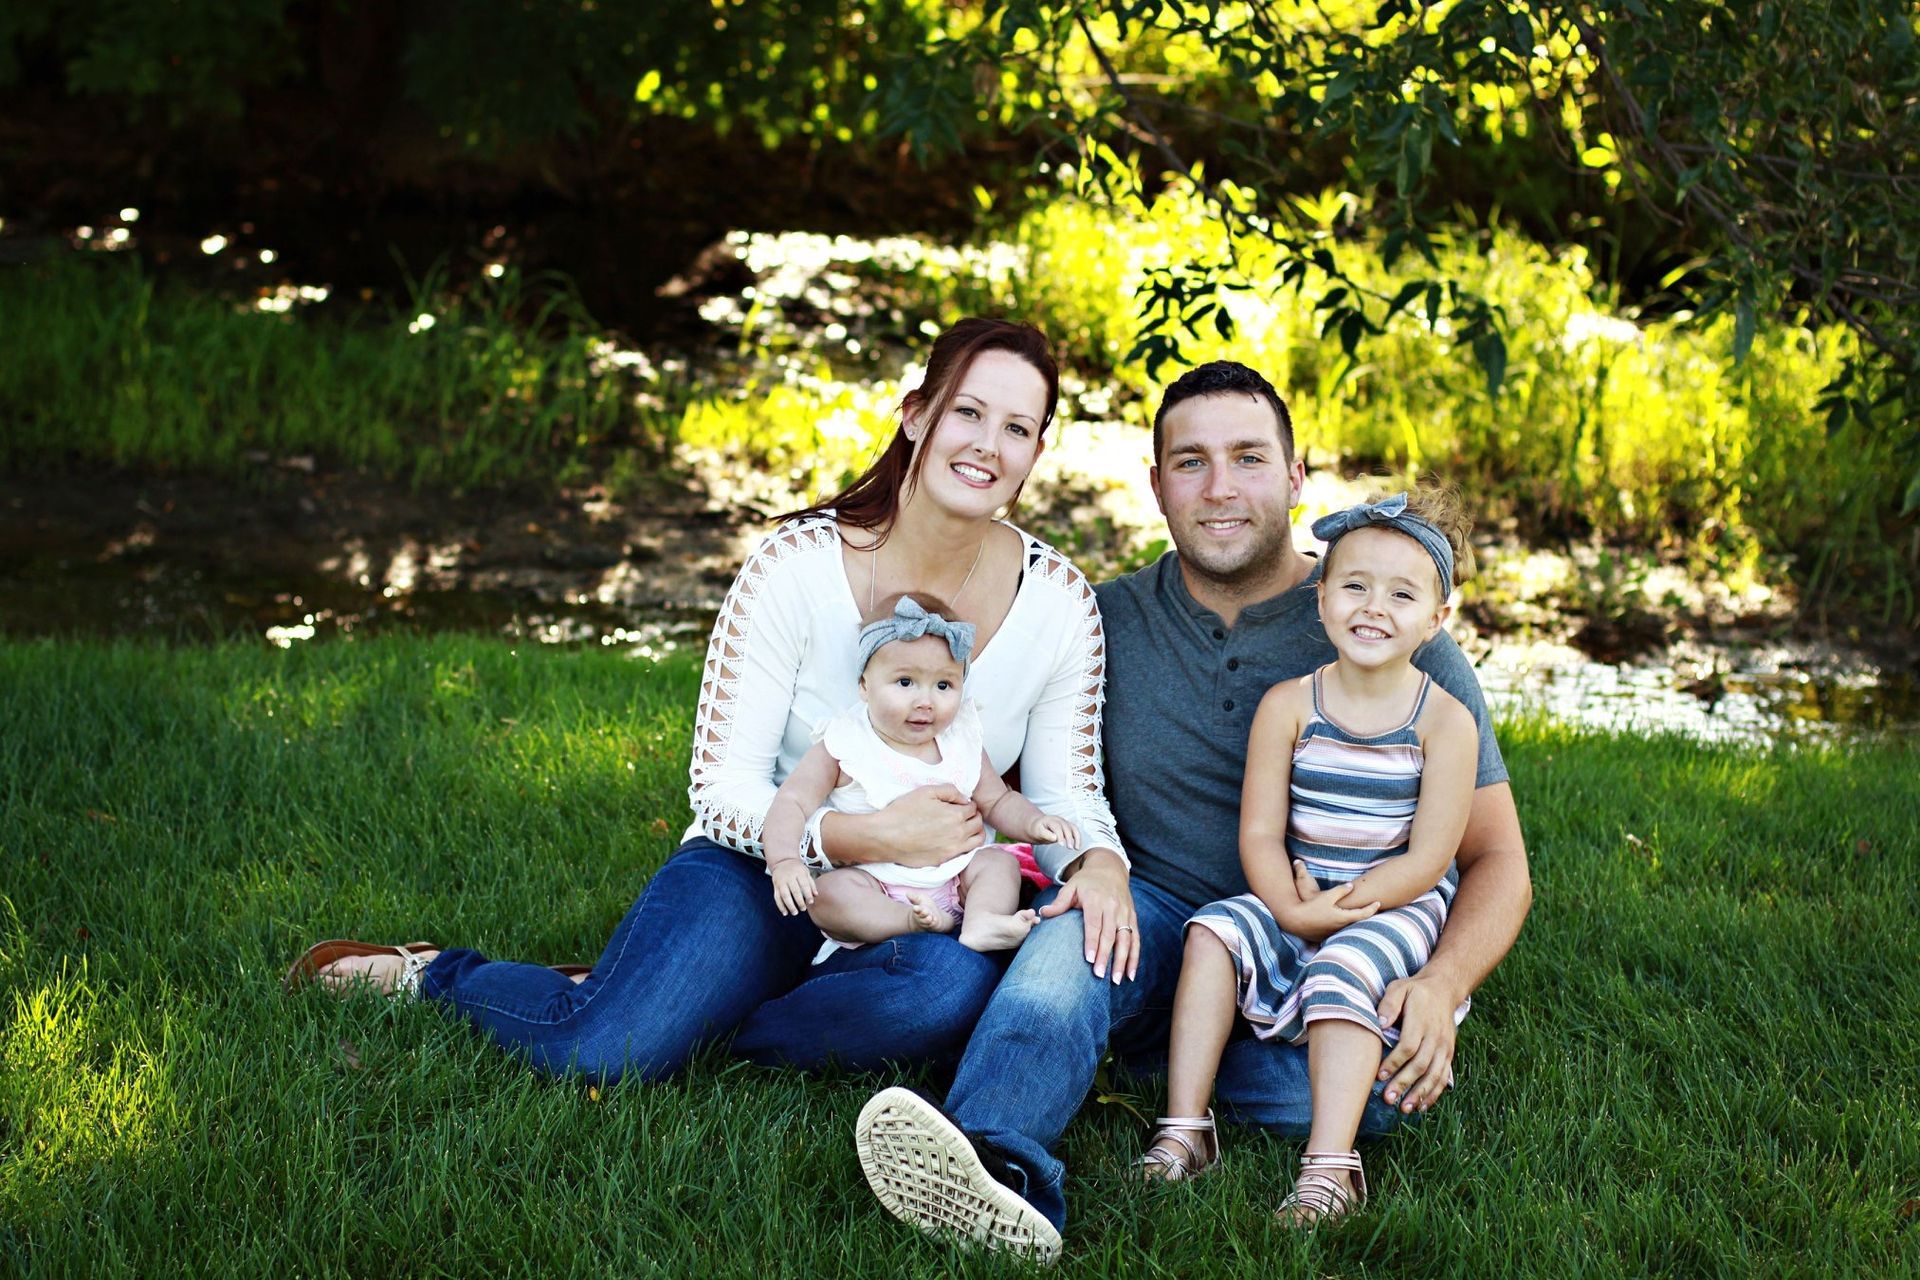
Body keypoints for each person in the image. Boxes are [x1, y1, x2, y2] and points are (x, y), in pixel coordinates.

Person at [285, 317, 1126, 1083]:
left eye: (1017, 428)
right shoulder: (794, 565)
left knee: (938, 995)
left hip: (919, 902)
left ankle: (699, 1019)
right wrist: (859, 833)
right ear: (916, 416)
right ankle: (441, 975)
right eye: (967, 413)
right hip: (759, 870)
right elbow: (722, 791)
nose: (987, 445)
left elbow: (1063, 794)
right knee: (604, 1052)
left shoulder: (1057, 601)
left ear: (1036, 451)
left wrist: (1098, 867)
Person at [852, 361, 1531, 1263]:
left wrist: (1443, 987)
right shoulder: (1101, 621)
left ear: (1295, 478)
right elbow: (1004, 779)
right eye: (1191, 462)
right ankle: (991, 1166)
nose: (1220, 488)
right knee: (1066, 959)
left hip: (1342, 934)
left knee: (1373, 1094)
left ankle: (1149, 1067)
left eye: (1249, 458)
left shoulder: (1383, 623)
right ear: (1157, 485)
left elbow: (1498, 861)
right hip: (1153, 913)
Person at [1137, 485, 1479, 1228]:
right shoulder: (1290, 705)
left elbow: (1431, 856)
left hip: (1399, 901)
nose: (1372, 607)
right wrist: (1292, 909)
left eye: (1400, 594)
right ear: (1320, 600)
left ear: (1436, 620)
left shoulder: (1443, 722)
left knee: (1342, 968)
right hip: (1300, 887)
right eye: (1353, 585)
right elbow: (1260, 833)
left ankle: (1331, 1170)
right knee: (1211, 934)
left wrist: (1345, 913)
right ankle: (1187, 1129)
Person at [763, 591, 1079, 957]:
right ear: (865, 685)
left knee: (999, 862)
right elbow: (791, 801)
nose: (924, 701)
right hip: (876, 882)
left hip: (957, 876)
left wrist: (1035, 823)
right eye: (905, 682)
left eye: (943, 685)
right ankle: (910, 922)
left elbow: (998, 800)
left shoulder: (961, 739)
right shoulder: (844, 743)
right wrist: (784, 860)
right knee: (828, 896)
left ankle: (983, 920)